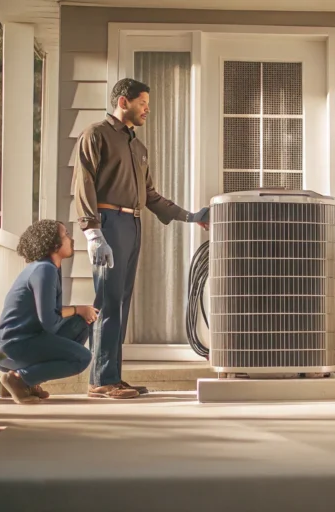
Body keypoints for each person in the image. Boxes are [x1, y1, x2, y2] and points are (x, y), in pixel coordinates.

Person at [73, 78, 208, 400]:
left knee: (121, 303)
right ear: (124, 101)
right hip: (108, 223)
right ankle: (100, 380)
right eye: (143, 103)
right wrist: (92, 231)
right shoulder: (96, 134)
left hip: (133, 224)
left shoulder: (138, 147)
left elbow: (150, 196)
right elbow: (84, 182)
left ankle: (112, 376)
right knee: (108, 301)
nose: (147, 109)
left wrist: (190, 216)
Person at [0, 220, 99, 405]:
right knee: (82, 358)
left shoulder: (48, 268)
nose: (71, 239)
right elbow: (50, 321)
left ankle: (24, 381)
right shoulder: (44, 270)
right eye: (66, 235)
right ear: (53, 243)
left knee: (80, 323)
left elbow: (50, 316)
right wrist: (78, 309)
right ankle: (19, 379)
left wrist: (80, 312)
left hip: (20, 343)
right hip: (15, 346)